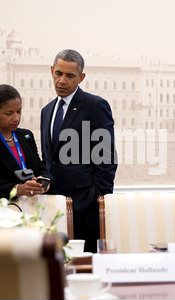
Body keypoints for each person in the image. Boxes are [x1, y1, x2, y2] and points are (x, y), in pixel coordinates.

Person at [40, 49, 117, 253]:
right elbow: (47, 159)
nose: (62, 80)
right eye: (58, 73)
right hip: (53, 210)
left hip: (86, 211)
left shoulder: (95, 106)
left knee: (85, 269)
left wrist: (94, 202)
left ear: (81, 77)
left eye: (70, 76)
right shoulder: (46, 111)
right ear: (51, 71)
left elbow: (106, 160)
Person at [0, 84, 54, 200]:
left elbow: (41, 169)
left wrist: (44, 182)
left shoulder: (26, 135)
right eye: (9, 113)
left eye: (19, 111)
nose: (16, 118)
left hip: (33, 208)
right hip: (3, 211)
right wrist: (18, 189)